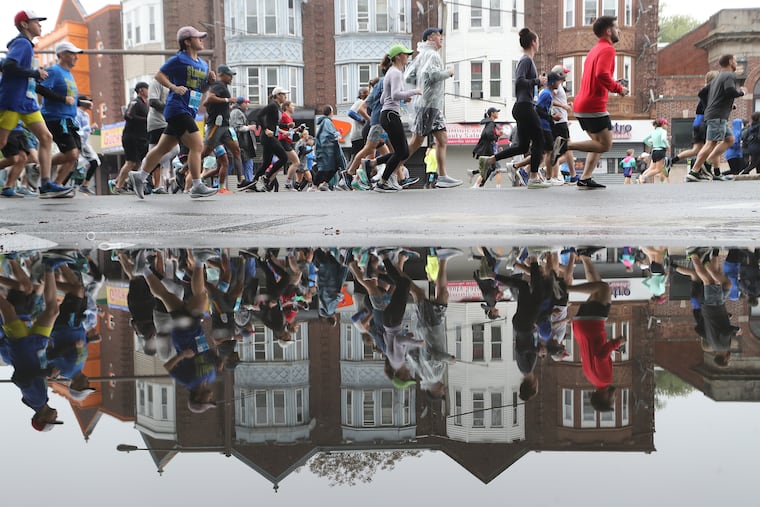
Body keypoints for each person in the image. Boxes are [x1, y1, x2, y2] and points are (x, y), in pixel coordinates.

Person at [127, 26, 218, 199]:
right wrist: (173, 87)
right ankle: (197, 185)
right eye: (198, 37)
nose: (202, 40)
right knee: (197, 145)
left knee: (163, 148)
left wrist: (210, 83)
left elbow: (200, 89)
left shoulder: (203, 64)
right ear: (187, 41)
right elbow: (159, 75)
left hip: (189, 109)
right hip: (177, 109)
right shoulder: (179, 59)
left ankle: (140, 176)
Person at [0, 11, 73, 198]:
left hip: (27, 102)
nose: (40, 25)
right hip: (13, 101)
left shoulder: (27, 45)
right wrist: (34, 73)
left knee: (46, 138)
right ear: (25, 25)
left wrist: (34, 76)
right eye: (36, 22)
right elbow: (8, 66)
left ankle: (46, 183)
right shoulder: (22, 43)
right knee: (2, 143)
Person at [552, 16, 630, 190]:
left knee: (597, 143)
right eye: (616, 28)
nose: (619, 31)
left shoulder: (594, 50)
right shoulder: (608, 49)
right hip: (593, 105)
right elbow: (601, 75)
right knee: (605, 144)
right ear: (608, 31)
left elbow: (598, 76)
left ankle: (585, 178)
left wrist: (612, 82)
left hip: (582, 104)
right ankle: (565, 145)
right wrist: (619, 88)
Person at [477, 28, 550, 189]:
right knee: (539, 140)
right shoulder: (526, 60)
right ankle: (533, 178)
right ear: (533, 42)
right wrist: (538, 81)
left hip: (522, 106)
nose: (538, 44)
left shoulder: (526, 60)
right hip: (524, 106)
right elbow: (519, 81)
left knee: (523, 147)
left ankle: (489, 160)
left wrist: (537, 82)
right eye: (537, 41)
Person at [569, 250, 626, 411]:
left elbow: (600, 355)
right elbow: (596, 353)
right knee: (597, 289)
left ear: (604, 397)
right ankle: (585, 257)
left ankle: (565, 288)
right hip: (581, 329)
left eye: (612, 400)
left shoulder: (605, 380)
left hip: (592, 326)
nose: (615, 397)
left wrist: (617, 342)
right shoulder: (591, 378)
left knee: (603, 288)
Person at [403, 27, 461, 188]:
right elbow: (432, 75)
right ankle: (390, 171)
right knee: (416, 142)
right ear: (430, 37)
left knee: (442, 139)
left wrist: (420, 86)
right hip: (429, 106)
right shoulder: (433, 55)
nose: (441, 38)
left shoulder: (421, 56)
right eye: (438, 35)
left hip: (429, 105)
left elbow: (409, 76)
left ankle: (443, 176)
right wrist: (448, 72)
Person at [39, 41, 91, 190]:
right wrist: (63, 99)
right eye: (72, 53)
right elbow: (40, 88)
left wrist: (80, 103)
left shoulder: (69, 74)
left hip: (69, 119)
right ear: (61, 55)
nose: (76, 57)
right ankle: (40, 167)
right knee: (71, 153)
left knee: (74, 155)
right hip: (55, 118)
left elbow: (69, 97)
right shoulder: (54, 71)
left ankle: (56, 185)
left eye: (76, 54)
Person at [686, 54, 746, 183]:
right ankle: (695, 171)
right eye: (735, 61)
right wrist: (742, 92)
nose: (736, 63)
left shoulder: (718, 76)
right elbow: (730, 91)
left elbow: (702, 93)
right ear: (730, 62)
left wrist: (712, 105)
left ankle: (709, 166)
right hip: (717, 116)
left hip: (718, 115)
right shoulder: (729, 75)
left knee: (730, 139)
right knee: (710, 143)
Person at [373, 44, 421, 192]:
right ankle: (382, 181)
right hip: (390, 115)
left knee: (403, 151)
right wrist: (413, 92)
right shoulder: (395, 73)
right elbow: (394, 95)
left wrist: (401, 98)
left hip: (387, 114)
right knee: (401, 152)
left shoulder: (391, 72)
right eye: (405, 54)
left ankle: (373, 163)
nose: (407, 57)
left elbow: (383, 98)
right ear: (398, 56)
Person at [686, 247, 740, 367]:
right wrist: (711, 320)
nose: (730, 358)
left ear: (725, 359)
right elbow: (699, 330)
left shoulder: (724, 346)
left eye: (729, 360)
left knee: (707, 280)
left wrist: (736, 330)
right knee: (727, 284)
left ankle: (693, 256)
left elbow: (725, 333)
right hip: (713, 308)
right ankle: (707, 264)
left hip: (715, 306)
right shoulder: (712, 344)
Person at [200, 64, 245, 194]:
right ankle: (184, 173)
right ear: (222, 75)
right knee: (205, 153)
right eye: (229, 75)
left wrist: (227, 107)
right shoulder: (218, 85)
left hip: (224, 126)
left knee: (236, 151)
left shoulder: (223, 86)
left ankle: (241, 180)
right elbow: (208, 100)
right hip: (216, 126)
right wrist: (227, 100)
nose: (231, 78)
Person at [672, 71, 717, 177]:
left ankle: (672, 160)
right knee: (712, 146)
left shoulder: (706, 91)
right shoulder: (711, 91)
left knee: (696, 149)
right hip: (704, 123)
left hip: (697, 123)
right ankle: (707, 169)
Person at [112, 82, 149, 192]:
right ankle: (118, 187)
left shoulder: (146, 104)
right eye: (147, 89)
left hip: (141, 137)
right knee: (130, 162)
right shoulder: (135, 102)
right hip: (131, 137)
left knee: (137, 163)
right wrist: (146, 120)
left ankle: (118, 182)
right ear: (141, 90)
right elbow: (128, 115)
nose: (149, 91)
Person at [253, 86, 290, 191]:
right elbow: (259, 115)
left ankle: (253, 182)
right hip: (267, 137)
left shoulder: (278, 107)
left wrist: (287, 126)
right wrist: (265, 129)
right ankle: (267, 177)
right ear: (278, 95)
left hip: (270, 136)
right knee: (284, 158)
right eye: (283, 94)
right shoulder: (272, 105)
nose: (285, 96)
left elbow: (275, 124)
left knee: (266, 163)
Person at [314, 105, 346, 190]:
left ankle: (324, 184)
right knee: (324, 167)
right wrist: (338, 133)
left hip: (327, 149)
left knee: (334, 166)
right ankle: (315, 185)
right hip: (327, 149)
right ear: (330, 112)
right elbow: (330, 133)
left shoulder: (325, 122)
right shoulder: (327, 121)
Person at [472, 107, 502, 188]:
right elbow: (489, 134)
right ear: (492, 113)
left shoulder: (489, 123)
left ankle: (478, 183)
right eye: (496, 112)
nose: (498, 113)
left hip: (488, 149)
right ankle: (478, 184)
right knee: (496, 168)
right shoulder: (491, 123)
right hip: (488, 149)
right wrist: (497, 136)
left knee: (491, 167)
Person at [230, 96, 257, 188]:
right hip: (240, 143)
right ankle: (219, 184)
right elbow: (236, 127)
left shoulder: (237, 112)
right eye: (245, 103)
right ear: (240, 104)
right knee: (230, 164)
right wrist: (249, 127)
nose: (247, 105)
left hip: (242, 144)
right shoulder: (236, 112)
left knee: (246, 164)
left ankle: (249, 183)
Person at [76, 96, 100, 194]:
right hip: (78, 142)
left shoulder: (86, 115)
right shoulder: (77, 113)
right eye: (89, 101)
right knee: (71, 164)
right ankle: (61, 183)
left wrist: (91, 130)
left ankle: (84, 185)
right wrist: (90, 127)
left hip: (84, 143)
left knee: (95, 162)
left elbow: (86, 130)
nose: (91, 104)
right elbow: (77, 129)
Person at [639, 118, 671, 183]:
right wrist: (667, 146)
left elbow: (645, 140)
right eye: (666, 124)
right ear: (663, 124)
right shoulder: (663, 131)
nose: (667, 126)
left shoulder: (654, 131)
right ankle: (643, 177)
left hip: (654, 151)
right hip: (660, 151)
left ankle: (642, 175)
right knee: (658, 170)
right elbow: (663, 139)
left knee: (652, 168)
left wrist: (651, 144)